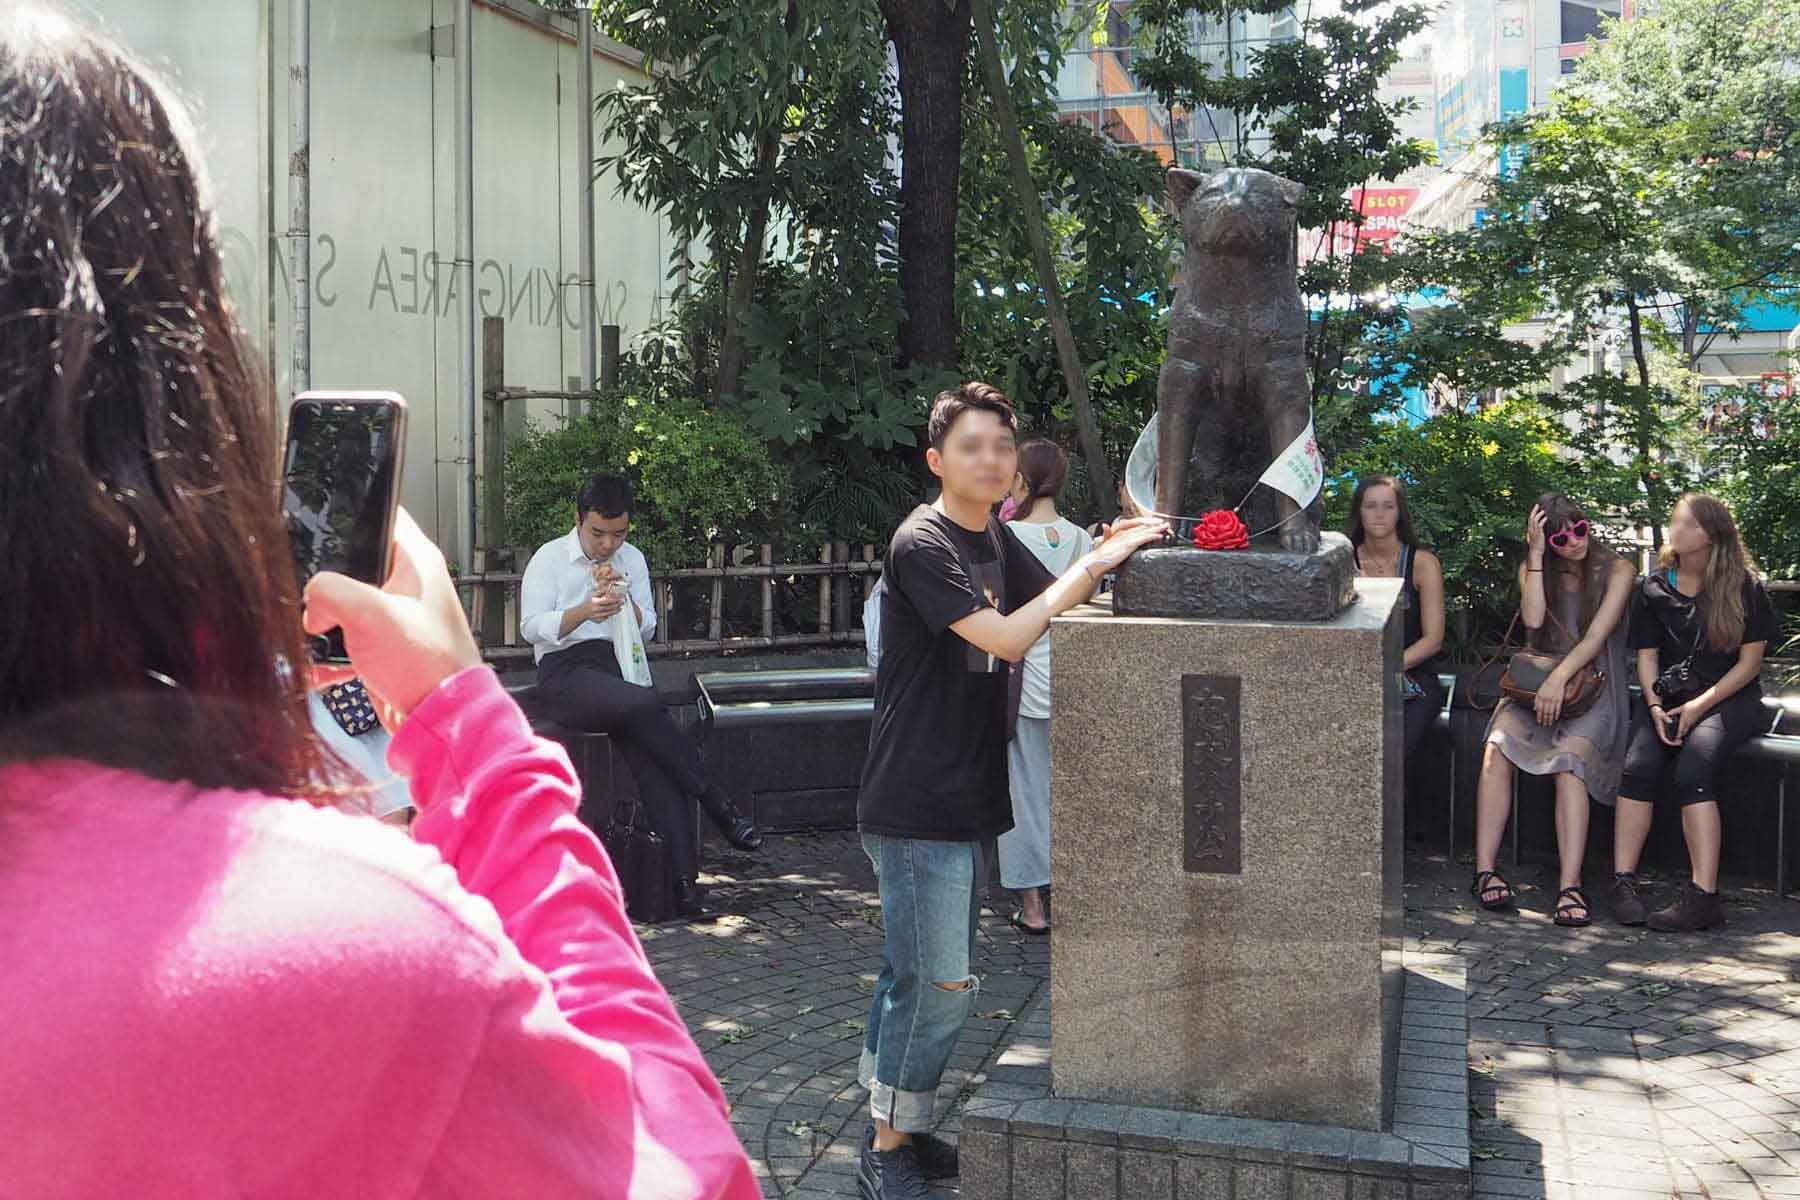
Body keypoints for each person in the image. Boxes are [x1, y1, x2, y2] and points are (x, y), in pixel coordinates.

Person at [0, 8, 756, 1195]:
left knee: (665, 711)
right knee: (653, 719)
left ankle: (710, 833)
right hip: (549, 695)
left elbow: (648, 635)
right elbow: (683, 1169)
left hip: (592, 685)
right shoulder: (336, 944)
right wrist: (470, 718)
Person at [855, 383, 1166, 1199]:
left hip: (963, 791)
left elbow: (1058, 589)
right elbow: (1005, 633)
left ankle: (897, 1124)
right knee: (941, 982)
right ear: (936, 461)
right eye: (971, 446)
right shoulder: (923, 543)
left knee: (913, 975)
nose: (990, 459)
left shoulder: (990, 532)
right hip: (914, 795)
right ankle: (888, 1145)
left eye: (1001, 445)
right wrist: (1094, 563)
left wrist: (1120, 546)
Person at [520, 473, 762, 922]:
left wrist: (623, 598)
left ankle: (684, 889)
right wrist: (583, 612)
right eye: (598, 533)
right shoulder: (549, 558)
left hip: (618, 670)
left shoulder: (632, 559)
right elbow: (530, 626)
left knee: (659, 767)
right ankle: (718, 803)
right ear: (578, 521)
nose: (608, 544)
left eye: (619, 534)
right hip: (566, 672)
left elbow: (647, 626)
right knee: (648, 705)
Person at [1610, 494, 1778, 932]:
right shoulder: (1654, 587)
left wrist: (1701, 706)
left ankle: (1704, 897)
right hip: (1667, 697)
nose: (1675, 531)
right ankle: (1623, 883)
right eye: (1675, 522)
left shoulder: (1744, 587)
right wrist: (1652, 705)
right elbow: (1646, 657)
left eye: (1685, 524)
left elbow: (1750, 664)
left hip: (1729, 698)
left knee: (1693, 770)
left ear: (1708, 535)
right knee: (1637, 768)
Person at [1471, 495, 1634, 928]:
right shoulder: (1538, 563)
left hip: (1593, 687)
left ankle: (1570, 884)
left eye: (1579, 530)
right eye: (1561, 537)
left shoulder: (1618, 569)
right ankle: (1484, 869)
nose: (1574, 542)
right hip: (1535, 686)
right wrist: (1537, 555)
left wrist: (1559, 680)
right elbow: (1533, 622)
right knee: (1497, 746)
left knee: (1569, 764)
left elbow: (1597, 636)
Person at [1000, 440, 1094, 935]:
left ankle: (1033, 906)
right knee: (1072, 791)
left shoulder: (1005, 535)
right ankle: (1077, 894)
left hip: (1022, 680)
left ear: (1023, 479)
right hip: (1074, 680)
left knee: (1024, 793)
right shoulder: (1083, 539)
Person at [1346, 475, 1446, 765]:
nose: (1379, 514)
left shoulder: (1422, 563)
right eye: (1371, 506)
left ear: (1400, 512)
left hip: (1411, 677)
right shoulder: (1342, 560)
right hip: (1353, 674)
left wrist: (1387, 668)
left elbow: (1433, 639)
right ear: (1359, 512)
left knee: (1392, 753)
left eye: (1388, 506)